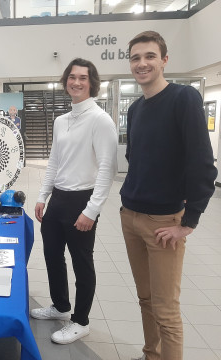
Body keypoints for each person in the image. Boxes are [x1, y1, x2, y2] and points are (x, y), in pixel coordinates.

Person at [120, 31, 217, 360]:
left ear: (164, 60)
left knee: (166, 311)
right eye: (135, 57)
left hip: (164, 222)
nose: (142, 63)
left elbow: (203, 164)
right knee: (145, 300)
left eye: (149, 56)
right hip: (130, 216)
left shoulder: (184, 98)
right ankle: (151, 355)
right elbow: (136, 159)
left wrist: (187, 223)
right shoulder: (135, 110)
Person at [31, 58, 117, 344]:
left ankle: (81, 321)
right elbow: (54, 161)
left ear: (92, 82)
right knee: (52, 255)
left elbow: (107, 168)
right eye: (72, 76)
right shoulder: (61, 120)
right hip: (58, 198)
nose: (76, 82)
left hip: (83, 199)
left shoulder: (100, 120)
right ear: (65, 81)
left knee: (82, 262)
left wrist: (91, 210)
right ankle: (60, 306)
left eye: (83, 77)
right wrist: (43, 195)